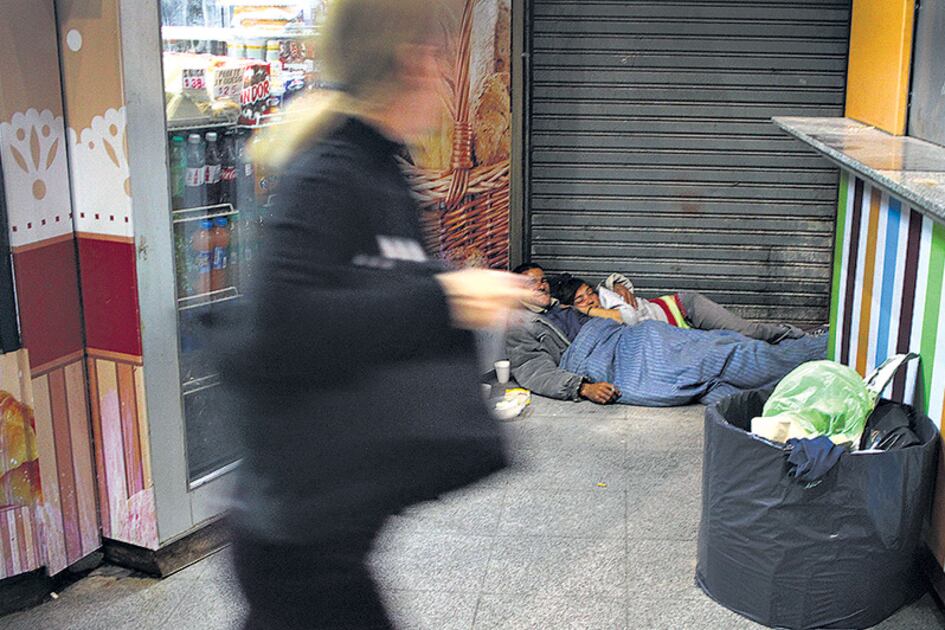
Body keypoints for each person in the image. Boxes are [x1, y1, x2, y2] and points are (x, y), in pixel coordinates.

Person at [216, 3, 529, 628]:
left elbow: (366, 298)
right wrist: (445, 298)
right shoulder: (331, 171)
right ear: (410, 62)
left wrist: (447, 289)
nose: (446, 74)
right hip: (295, 536)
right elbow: (282, 327)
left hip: (328, 527)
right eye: (439, 57)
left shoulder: (381, 167)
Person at [552, 272, 807, 344]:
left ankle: (797, 335)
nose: (590, 299)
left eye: (589, 293)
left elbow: (627, 317)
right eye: (581, 299)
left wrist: (589, 309)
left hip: (684, 308)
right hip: (681, 332)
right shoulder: (578, 323)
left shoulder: (605, 299)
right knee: (737, 344)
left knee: (748, 332)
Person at [507, 263, 620, 404]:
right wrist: (582, 387)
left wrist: (617, 285)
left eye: (543, 281)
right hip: (597, 358)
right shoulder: (520, 325)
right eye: (532, 283)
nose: (541, 286)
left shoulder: (561, 307)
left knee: (650, 330)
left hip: (615, 339)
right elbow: (534, 370)